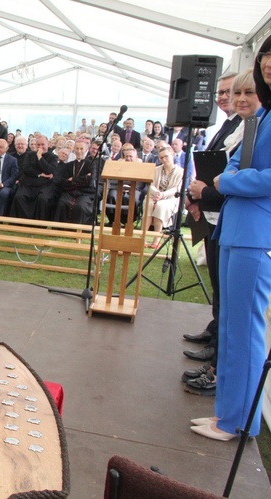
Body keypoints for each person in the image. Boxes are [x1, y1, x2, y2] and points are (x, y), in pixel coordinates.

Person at [190, 38, 271, 442]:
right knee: (232, 330)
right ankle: (229, 414)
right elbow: (238, 163)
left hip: (256, 234)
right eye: (266, 60)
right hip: (235, 229)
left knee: (245, 332)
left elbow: (247, 174)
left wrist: (232, 180)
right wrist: (234, 177)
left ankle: (239, 421)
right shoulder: (263, 117)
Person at [181, 70, 251, 392]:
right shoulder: (229, 125)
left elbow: (234, 176)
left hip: (240, 223)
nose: (230, 99)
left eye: (239, 92)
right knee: (219, 287)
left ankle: (219, 362)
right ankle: (215, 342)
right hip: (216, 212)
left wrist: (206, 192)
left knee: (232, 300)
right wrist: (196, 195)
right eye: (224, 93)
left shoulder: (251, 127)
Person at [10, 135, 59, 221]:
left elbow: (49, 170)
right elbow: (26, 169)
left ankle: (39, 223)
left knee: (42, 199)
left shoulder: (53, 157)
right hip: (29, 183)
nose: (40, 147)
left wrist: (40, 157)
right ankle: (22, 222)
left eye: (42, 144)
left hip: (45, 185)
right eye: (38, 145)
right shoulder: (29, 154)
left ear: (48, 144)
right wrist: (40, 174)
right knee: (19, 197)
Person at [143, 145, 184, 248]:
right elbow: (150, 184)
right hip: (154, 195)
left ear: (172, 155)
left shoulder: (180, 171)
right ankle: (143, 237)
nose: (164, 159)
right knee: (148, 203)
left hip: (171, 198)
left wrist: (163, 195)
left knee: (161, 206)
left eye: (166, 156)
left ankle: (156, 239)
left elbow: (177, 188)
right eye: (161, 158)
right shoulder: (156, 169)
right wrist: (157, 193)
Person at [54, 139, 96, 224]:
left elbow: (90, 181)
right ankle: (60, 229)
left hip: (85, 193)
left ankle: (78, 232)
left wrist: (73, 179)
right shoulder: (69, 165)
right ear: (74, 149)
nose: (79, 151)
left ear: (86, 150)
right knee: (62, 203)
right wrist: (83, 179)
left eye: (81, 149)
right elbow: (63, 181)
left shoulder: (91, 164)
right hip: (70, 192)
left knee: (80, 206)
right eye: (77, 148)